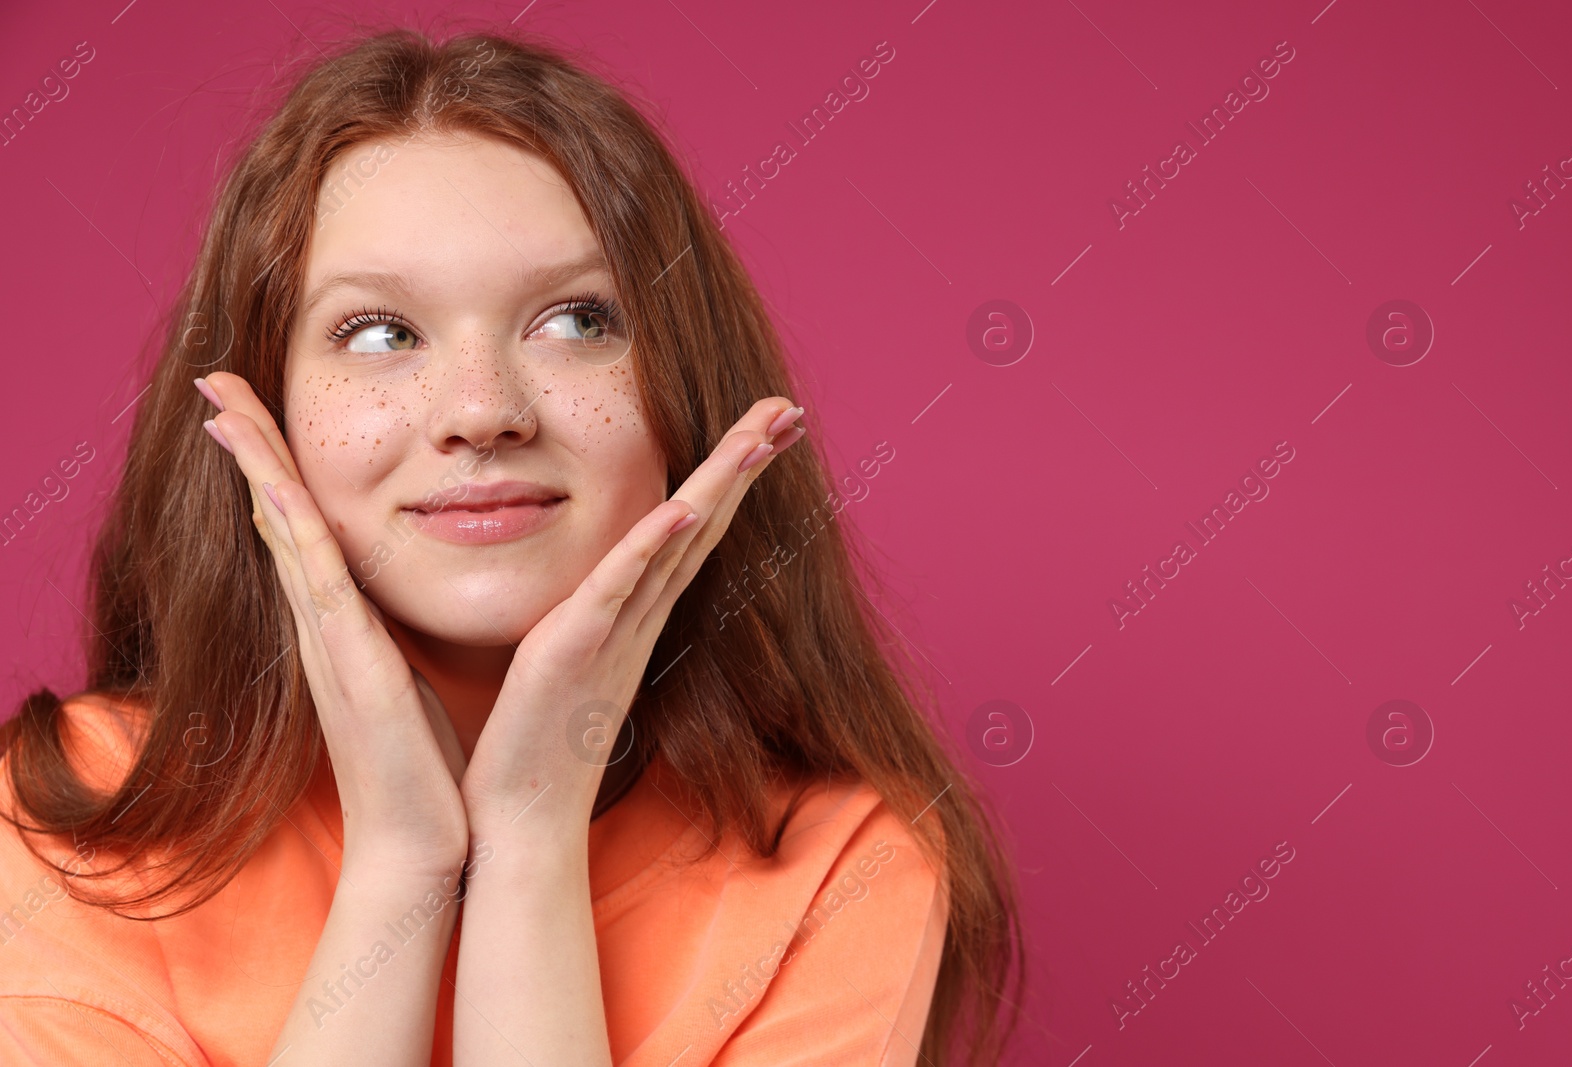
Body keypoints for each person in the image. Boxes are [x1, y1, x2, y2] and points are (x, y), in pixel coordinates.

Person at [0, 25, 1024, 1067]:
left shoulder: (839, 867)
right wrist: (403, 865)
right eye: (380, 333)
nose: (484, 411)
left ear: (685, 399)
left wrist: (528, 844)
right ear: (264, 406)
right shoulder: (60, 826)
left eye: (577, 320)